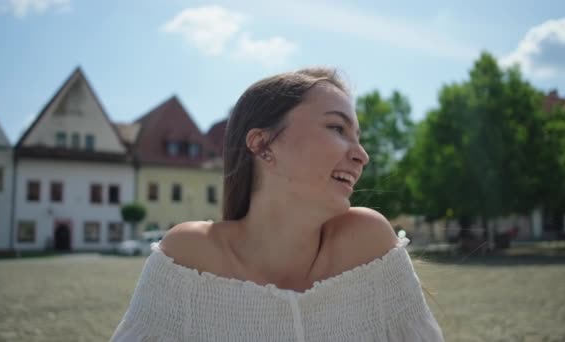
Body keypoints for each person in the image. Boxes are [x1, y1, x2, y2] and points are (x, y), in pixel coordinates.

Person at [110, 67, 445, 341]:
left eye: (358, 136)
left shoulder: (369, 245)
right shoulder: (186, 259)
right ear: (262, 144)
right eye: (337, 128)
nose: (362, 155)